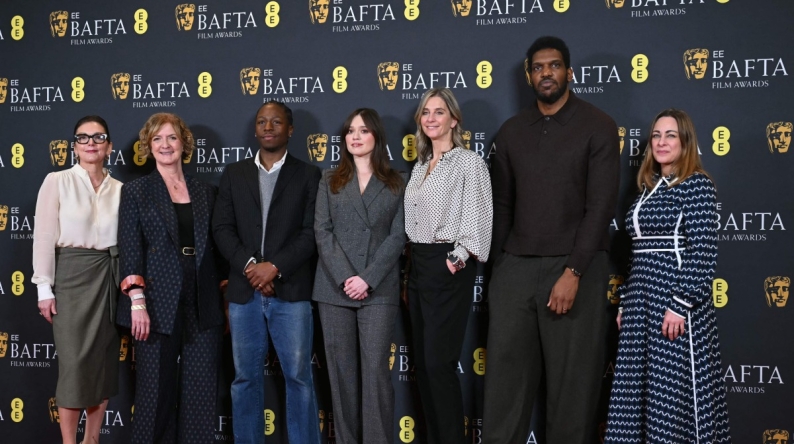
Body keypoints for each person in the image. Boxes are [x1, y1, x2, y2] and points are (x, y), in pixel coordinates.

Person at [482, 36, 620, 443]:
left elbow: (600, 208)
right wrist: (500, 271)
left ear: (569, 72)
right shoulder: (510, 133)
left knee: (571, 392)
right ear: (529, 76)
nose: (547, 73)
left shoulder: (598, 125)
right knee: (504, 389)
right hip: (516, 269)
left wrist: (574, 270)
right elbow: (502, 207)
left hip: (575, 269)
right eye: (539, 67)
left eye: (555, 65)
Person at [605, 109, 731, 443]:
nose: (661, 142)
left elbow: (703, 252)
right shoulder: (647, 189)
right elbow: (638, 255)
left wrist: (679, 304)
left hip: (673, 305)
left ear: (685, 141)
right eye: (657, 136)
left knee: (670, 395)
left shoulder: (697, 186)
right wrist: (625, 305)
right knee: (635, 394)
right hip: (640, 305)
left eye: (670, 135)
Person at [212, 101, 322, 444]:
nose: (268, 126)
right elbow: (222, 228)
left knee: (300, 379)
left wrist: (274, 268)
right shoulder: (234, 173)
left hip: (290, 293)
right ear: (255, 129)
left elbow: (311, 232)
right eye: (262, 121)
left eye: (276, 121)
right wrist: (251, 268)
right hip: (244, 295)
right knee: (245, 379)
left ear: (290, 129)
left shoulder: (309, 175)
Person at [117, 112, 225, 444]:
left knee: (201, 393)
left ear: (184, 143)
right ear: (149, 146)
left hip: (202, 297)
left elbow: (219, 251)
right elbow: (130, 246)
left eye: (172, 138)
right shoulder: (137, 191)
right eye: (158, 139)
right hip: (155, 300)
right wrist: (137, 302)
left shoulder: (206, 191)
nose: (166, 145)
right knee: (153, 395)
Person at [404, 87, 493, 444]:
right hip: (418, 264)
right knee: (424, 367)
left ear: (454, 119)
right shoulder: (421, 165)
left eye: (439, 112)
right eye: (426, 112)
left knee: (440, 365)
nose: (431, 118)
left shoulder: (469, 162)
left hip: (448, 263)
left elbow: (479, 219)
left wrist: (456, 259)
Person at [313, 108, 406, 444]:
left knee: (376, 376)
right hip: (334, 289)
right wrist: (346, 277)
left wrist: (366, 278)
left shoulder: (398, 181)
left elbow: (398, 236)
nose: (355, 136)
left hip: (378, 290)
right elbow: (322, 232)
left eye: (363, 131)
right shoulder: (329, 179)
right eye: (350, 131)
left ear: (377, 137)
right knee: (341, 377)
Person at [32, 115, 122, 444]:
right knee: (73, 365)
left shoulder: (122, 190)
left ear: (109, 147)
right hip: (69, 279)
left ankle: (92, 439)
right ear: (75, 147)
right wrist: (44, 287)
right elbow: (43, 237)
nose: (91, 143)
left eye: (98, 137)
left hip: (108, 279)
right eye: (83, 138)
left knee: (101, 362)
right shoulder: (57, 181)